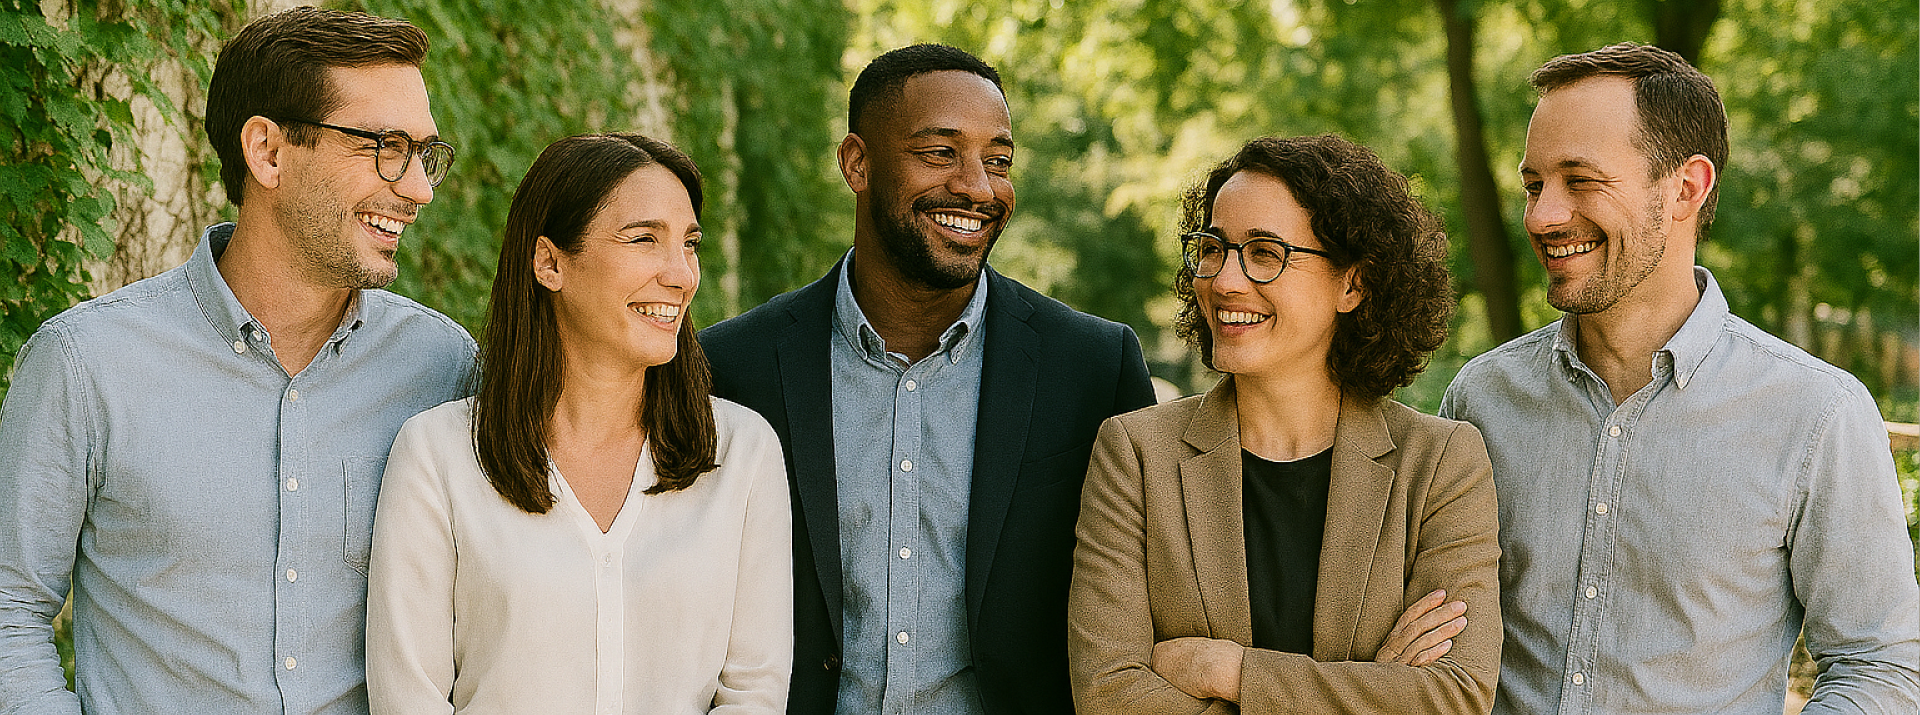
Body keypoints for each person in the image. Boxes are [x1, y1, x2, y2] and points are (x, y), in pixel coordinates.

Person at [0, 8, 475, 714]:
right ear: (269, 152)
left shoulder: (442, 368)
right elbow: (11, 608)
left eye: (426, 154)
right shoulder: (85, 364)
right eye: (387, 147)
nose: (418, 188)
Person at [1440, 42, 1920, 714]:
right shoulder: (1482, 399)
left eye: (1581, 180)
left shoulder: (1816, 415)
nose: (1543, 215)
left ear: (1686, 188)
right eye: (1534, 184)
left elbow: (1881, 666)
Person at [700, 44, 1157, 715]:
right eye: (940, 152)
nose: (978, 186)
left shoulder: (1093, 366)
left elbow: (1145, 609)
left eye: (998, 160)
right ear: (857, 163)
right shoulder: (731, 367)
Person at [1068, 135, 1502, 714]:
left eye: (1266, 253)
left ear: (1353, 284)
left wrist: (1231, 671)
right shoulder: (1135, 454)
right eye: (1214, 248)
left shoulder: (1442, 462)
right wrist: (1370, 688)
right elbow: (1108, 694)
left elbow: (1453, 696)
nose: (1224, 280)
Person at [364, 133, 792, 714]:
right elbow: (409, 698)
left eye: (690, 245)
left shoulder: (741, 454)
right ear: (549, 262)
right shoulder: (438, 457)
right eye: (644, 239)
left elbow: (754, 694)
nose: (681, 275)